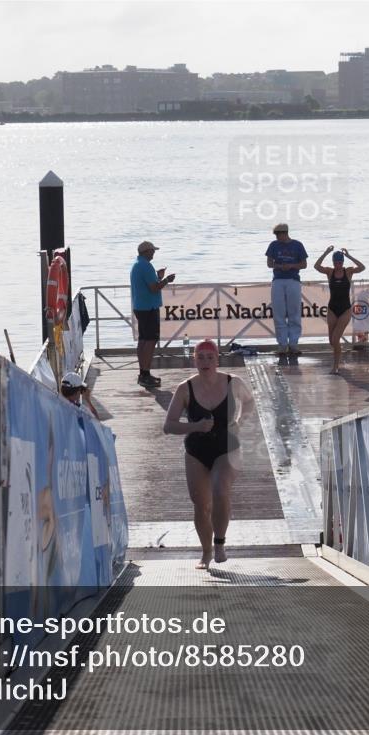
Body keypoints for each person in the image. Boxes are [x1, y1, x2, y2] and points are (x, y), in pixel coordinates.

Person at [163, 339, 255, 569]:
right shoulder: (185, 388)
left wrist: (240, 421)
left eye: (210, 357)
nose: (205, 362)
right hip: (196, 450)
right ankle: (206, 553)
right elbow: (169, 425)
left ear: (218, 359)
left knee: (219, 487)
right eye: (200, 357)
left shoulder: (233, 382)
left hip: (227, 446)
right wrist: (194, 426)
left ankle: (220, 543)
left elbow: (250, 401)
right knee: (201, 505)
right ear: (194, 360)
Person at [314, 245, 366, 374]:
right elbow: (316, 266)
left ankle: (335, 367)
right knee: (332, 341)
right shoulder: (330, 272)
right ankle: (339, 353)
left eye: (340, 262)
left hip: (345, 310)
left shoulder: (348, 272)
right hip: (332, 309)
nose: (338, 264)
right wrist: (325, 252)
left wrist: (349, 256)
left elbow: (362, 267)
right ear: (333, 262)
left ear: (342, 262)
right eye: (336, 262)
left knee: (335, 339)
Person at [130, 241, 175, 388]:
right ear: (146, 252)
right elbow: (154, 288)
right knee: (150, 340)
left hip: (140, 307)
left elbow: (150, 284)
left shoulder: (137, 264)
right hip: (148, 308)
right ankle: (145, 374)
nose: (154, 253)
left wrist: (158, 277)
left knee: (143, 340)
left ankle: (143, 373)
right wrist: (167, 280)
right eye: (152, 251)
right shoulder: (145, 266)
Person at [265, 223, 308, 356]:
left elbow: (304, 264)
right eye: (276, 235)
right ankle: (282, 344)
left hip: (293, 280)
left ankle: (294, 343)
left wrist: (291, 266)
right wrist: (278, 266)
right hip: (278, 280)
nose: (278, 237)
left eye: (279, 234)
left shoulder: (297, 245)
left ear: (285, 233)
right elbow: (269, 263)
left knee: (294, 312)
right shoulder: (273, 245)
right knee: (279, 313)